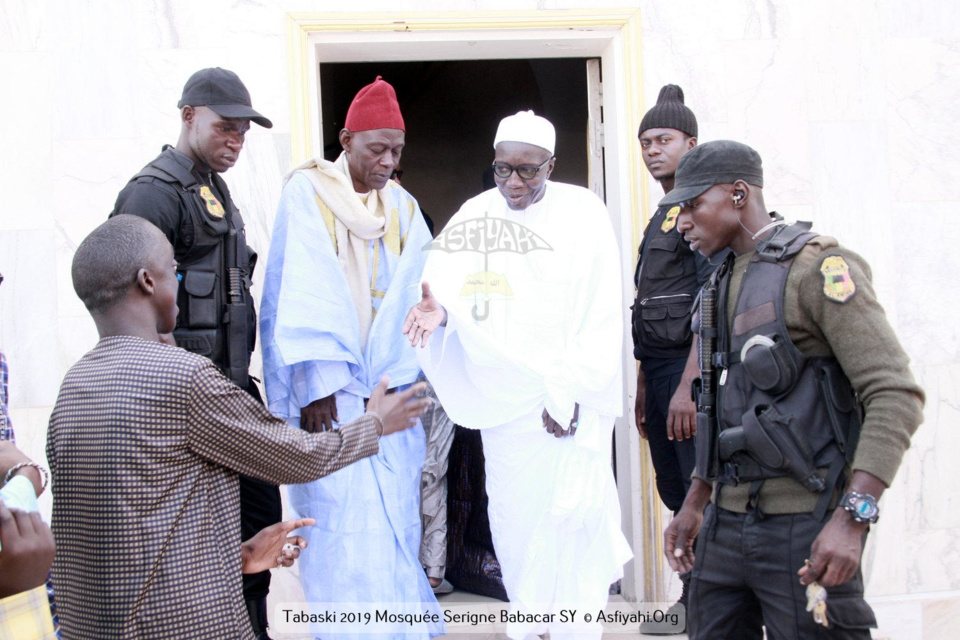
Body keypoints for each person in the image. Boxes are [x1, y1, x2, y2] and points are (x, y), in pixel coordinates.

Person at [47, 215, 430, 640]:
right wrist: (374, 423)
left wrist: (241, 555)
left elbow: (131, 532)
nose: (181, 282)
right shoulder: (185, 377)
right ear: (148, 282)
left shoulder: (75, 385)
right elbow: (294, 457)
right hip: (180, 626)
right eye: (175, 269)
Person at [661, 141, 925, 639]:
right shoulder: (718, 281)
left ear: (738, 194)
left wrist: (853, 519)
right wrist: (696, 499)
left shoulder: (817, 269)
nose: (683, 223)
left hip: (804, 526)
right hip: (723, 527)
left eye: (693, 205)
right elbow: (721, 403)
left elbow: (893, 393)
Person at [404, 110, 632, 640]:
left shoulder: (583, 212)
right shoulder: (478, 212)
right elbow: (442, 278)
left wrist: (569, 391)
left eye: (528, 170)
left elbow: (601, 310)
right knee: (517, 519)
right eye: (502, 168)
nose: (513, 182)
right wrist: (440, 312)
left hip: (573, 403)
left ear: (552, 165)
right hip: (507, 402)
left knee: (573, 520)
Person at [259, 76, 441, 638]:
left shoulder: (405, 208)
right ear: (346, 140)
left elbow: (417, 291)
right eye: (376, 149)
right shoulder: (307, 193)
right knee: (340, 527)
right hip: (330, 398)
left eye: (396, 151)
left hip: (387, 393)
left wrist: (396, 383)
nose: (388, 161)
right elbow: (300, 288)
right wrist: (316, 384)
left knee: (393, 526)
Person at [108, 67, 281, 638]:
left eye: (242, 133)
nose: (235, 141)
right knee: (204, 547)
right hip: (182, 399)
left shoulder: (210, 186)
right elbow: (124, 297)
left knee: (258, 526)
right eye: (225, 128)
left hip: (228, 389)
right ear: (188, 116)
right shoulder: (153, 192)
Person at [632, 84, 721, 631]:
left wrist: (691, 383)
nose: (651, 151)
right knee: (673, 485)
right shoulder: (661, 212)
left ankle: (707, 604)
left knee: (696, 485)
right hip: (660, 372)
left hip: (689, 373)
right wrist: (647, 385)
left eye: (663, 139)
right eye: (644, 141)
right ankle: (693, 595)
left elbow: (709, 298)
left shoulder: (699, 207)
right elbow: (650, 304)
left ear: (692, 142)